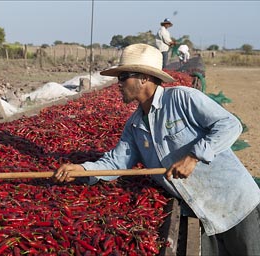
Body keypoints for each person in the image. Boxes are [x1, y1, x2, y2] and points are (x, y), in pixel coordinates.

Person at [54, 43, 260, 256]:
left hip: (235, 203)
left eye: (124, 77)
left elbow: (230, 124)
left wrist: (194, 156)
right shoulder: (134, 126)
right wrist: (83, 171)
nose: (118, 84)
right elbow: (116, 164)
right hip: (200, 211)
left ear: (144, 78)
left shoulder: (182, 99)